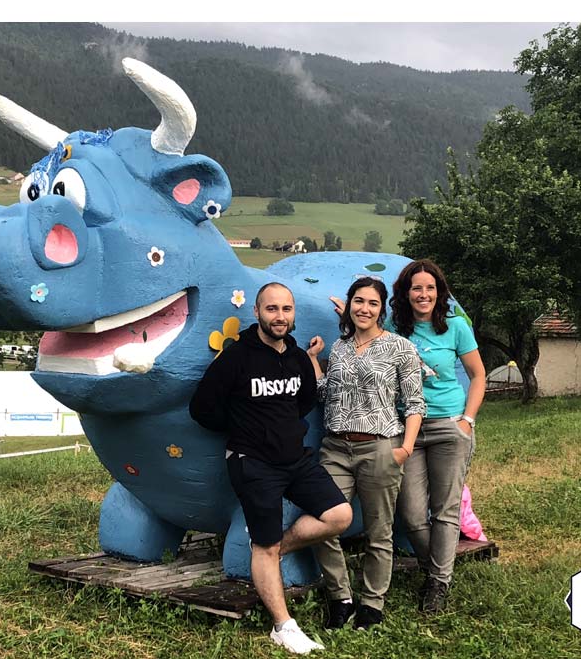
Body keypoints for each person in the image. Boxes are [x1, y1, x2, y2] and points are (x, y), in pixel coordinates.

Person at [189, 282, 351, 657]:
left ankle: (272, 552)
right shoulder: (235, 359)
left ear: (293, 314)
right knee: (265, 541)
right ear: (257, 313)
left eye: (286, 309)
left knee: (338, 515)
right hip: (253, 462)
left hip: (296, 458)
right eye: (272, 309)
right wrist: (244, 429)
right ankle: (283, 626)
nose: (280, 317)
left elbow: (305, 399)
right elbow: (201, 409)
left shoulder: (295, 356)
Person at [310, 277, 425, 632]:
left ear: (382, 309)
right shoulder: (340, 347)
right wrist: (315, 359)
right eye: (358, 301)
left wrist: (405, 448)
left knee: (379, 530)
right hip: (336, 447)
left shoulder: (400, 348)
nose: (364, 309)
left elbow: (415, 403)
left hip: (380, 446)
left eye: (372, 303)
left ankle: (372, 604)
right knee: (324, 522)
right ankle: (340, 599)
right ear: (349, 304)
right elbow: (324, 393)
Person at [387, 258, 485, 614]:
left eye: (430, 288)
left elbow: (478, 375)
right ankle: (437, 569)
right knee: (412, 514)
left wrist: (467, 420)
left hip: (449, 425)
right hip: (407, 429)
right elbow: (367, 340)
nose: (423, 294)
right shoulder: (394, 326)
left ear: (438, 292)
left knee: (445, 510)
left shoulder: (456, 327)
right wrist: (347, 315)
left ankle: (437, 585)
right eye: (417, 288)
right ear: (406, 293)